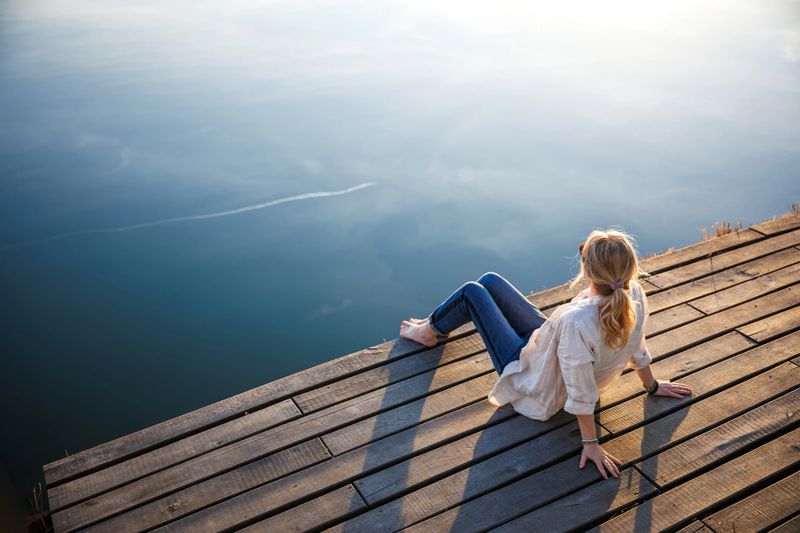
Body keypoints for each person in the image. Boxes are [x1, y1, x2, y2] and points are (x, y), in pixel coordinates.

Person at [399, 229, 692, 480]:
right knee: (490, 280)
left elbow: (579, 388)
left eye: (583, 252)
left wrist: (590, 443)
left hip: (536, 382)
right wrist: (652, 386)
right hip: (549, 349)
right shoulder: (634, 295)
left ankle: (428, 331)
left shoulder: (576, 321)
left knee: (471, 293)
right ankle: (431, 326)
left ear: (587, 271)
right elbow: (637, 344)